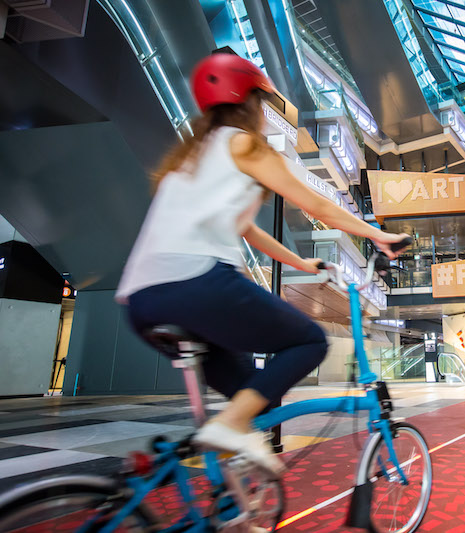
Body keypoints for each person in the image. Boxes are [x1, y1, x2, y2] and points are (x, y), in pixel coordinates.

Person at [115, 53, 408, 477]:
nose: (266, 114)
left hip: (140, 302)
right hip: (195, 282)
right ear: (249, 101)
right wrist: (378, 234)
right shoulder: (243, 143)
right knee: (310, 342)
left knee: (258, 399)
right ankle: (232, 427)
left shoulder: (191, 158)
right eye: (263, 103)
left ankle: (229, 502)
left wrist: (300, 263)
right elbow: (318, 205)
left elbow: (247, 230)